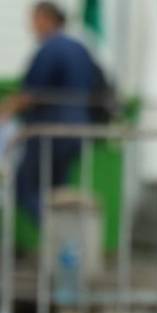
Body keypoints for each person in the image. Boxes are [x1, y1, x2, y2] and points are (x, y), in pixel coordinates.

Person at [0, 2, 102, 224]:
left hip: (49, 132)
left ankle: (58, 235)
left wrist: (4, 113)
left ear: (46, 19)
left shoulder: (50, 49)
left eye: (34, 20)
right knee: (58, 194)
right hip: (78, 130)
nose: (31, 26)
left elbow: (30, 94)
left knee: (25, 188)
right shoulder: (80, 48)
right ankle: (64, 249)